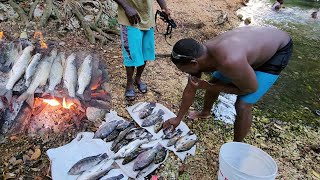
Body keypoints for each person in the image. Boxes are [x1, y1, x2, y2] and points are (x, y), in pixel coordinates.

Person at [163, 26, 293, 142]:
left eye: (183, 70)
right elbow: (191, 87)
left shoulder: (229, 61)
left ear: (193, 63)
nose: (184, 73)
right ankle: (205, 112)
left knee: (243, 104)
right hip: (253, 49)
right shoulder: (200, 54)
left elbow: (250, 89)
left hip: (277, 50)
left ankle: (237, 146)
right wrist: (178, 118)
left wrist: (209, 87)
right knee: (214, 81)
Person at [113, 0, 170, 101]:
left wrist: (164, 8)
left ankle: (138, 78)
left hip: (147, 18)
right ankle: (129, 83)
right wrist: (127, 7)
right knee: (131, 54)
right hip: (129, 19)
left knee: (145, 52)